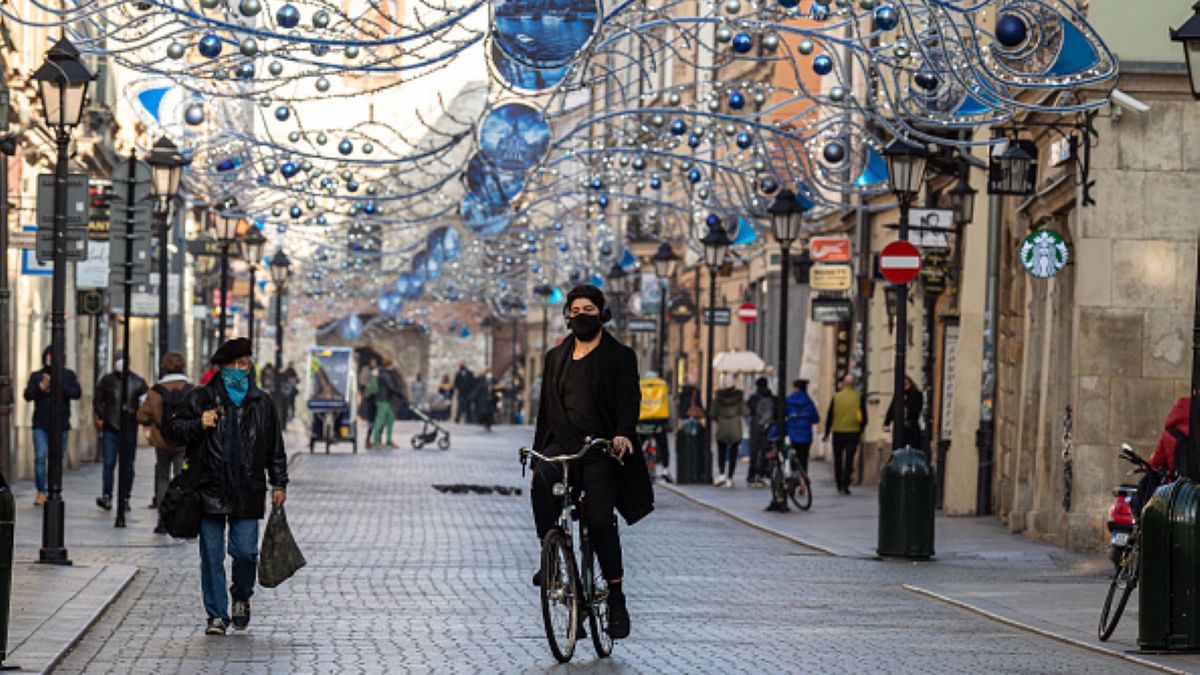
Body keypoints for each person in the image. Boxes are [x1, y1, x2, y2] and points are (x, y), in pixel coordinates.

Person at [530, 284, 651, 640]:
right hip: (562, 445)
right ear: (567, 314)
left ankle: (615, 597)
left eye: (588, 309)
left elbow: (630, 399)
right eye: (575, 309)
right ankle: (552, 563)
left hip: (601, 449)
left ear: (601, 312)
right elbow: (546, 410)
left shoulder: (620, 356)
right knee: (540, 483)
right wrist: (538, 450)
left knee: (599, 520)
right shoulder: (556, 357)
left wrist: (623, 434)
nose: (580, 315)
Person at [164, 337, 288, 636]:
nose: (237, 370)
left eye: (242, 364)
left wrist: (279, 482)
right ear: (220, 369)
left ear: (249, 366)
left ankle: (241, 595)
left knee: (245, 552)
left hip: (247, 488)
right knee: (212, 555)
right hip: (208, 488)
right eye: (231, 365)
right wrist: (198, 424)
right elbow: (174, 430)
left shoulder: (262, 402)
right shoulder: (200, 398)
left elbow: (275, 447)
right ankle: (216, 615)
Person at [137, 351, 193, 533]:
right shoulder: (190, 389)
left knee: (162, 478)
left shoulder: (155, 391)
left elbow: (142, 416)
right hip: (183, 443)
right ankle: (180, 517)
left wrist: (153, 421)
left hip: (162, 441)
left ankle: (162, 519)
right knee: (182, 479)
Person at [22, 346, 82, 506]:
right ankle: (41, 491)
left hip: (60, 425)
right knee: (41, 457)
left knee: (56, 459)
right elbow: (27, 395)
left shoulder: (68, 375)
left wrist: (58, 384)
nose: (50, 358)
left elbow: (77, 393)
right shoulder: (37, 376)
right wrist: (41, 387)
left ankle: (53, 489)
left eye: (53, 355)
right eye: (47, 355)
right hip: (41, 424)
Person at [93, 349, 149, 513]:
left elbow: (145, 404)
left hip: (129, 428)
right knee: (108, 463)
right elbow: (97, 400)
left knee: (127, 466)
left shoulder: (138, 382)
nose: (119, 362)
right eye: (117, 359)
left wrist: (137, 416)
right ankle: (107, 495)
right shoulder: (107, 380)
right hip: (111, 428)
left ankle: (125, 498)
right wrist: (102, 416)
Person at [824, 374, 866, 495]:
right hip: (853, 431)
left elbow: (830, 415)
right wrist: (861, 428)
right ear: (854, 384)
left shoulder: (836, 397)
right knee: (849, 459)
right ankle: (846, 484)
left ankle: (839, 483)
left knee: (837, 458)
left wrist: (827, 432)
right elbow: (863, 415)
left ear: (844, 383)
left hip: (838, 431)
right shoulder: (859, 397)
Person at [713, 375, 749, 487]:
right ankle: (730, 478)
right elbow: (745, 411)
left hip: (722, 426)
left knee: (721, 452)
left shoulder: (718, 397)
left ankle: (722, 474)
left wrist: (719, 418)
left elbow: (713, 413)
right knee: (733, 454)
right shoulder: (739, 397)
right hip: (735, 427)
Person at [784, 379, 820, 474]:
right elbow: (816, 419)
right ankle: (802, 479)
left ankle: (793, 476)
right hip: (805, 436)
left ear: (796, 388)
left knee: (791, 456)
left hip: (792, 434)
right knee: (803, 458)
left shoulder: (788, 401)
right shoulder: (809, 402)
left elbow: (782, 415)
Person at [745, 377, 775, 488]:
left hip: (755, 427)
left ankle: (752, 475)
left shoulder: (754, 398)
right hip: (768, 427)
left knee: (754, 452)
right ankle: (763, 474)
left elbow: (747, 410)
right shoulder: (772, 397)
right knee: (765, 452)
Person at [883, 375, 924, 451]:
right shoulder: (899, 395)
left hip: (912, 426)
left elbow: (916, 410)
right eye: (903, 384)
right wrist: (887, 423)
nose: (905, 386)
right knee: (899, 449)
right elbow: (892, 408)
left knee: (912, 448)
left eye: (907, 384)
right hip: (900, 427)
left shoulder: (917, 395)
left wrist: (906, 402)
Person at [358, 355, 379, 448]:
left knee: (376, 418)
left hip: (376, 397)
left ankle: (375, 439)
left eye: (375, 361)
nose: (374, 363)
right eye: (372, 361)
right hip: (369, 396)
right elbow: (362, 382)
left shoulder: (377, 370)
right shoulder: (366, 369)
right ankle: (369, 439)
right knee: (371, 418)